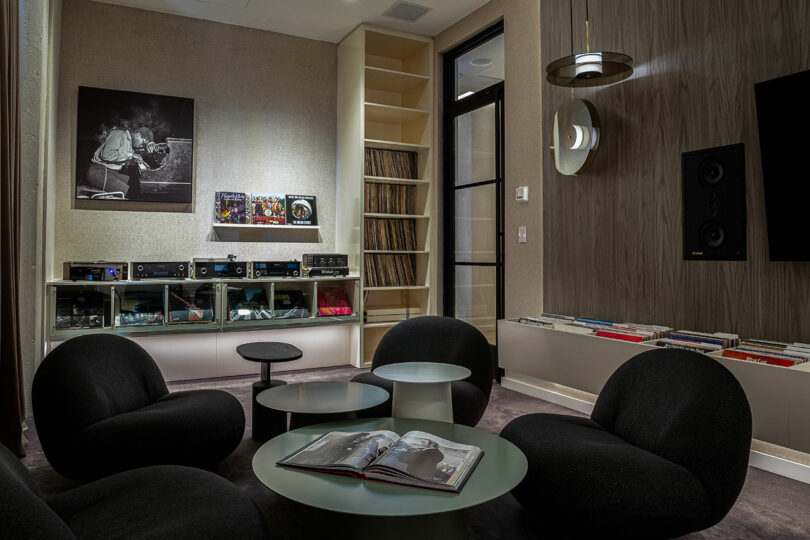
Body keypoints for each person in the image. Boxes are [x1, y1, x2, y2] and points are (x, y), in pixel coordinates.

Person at [85, 126, 157, 200]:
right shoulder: (119, 134)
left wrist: (139, 154)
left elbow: (125, 154)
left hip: (110, 172)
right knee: (131, 193)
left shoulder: (130, 142)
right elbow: (106, 155)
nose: (141, 146)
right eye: (143, 143)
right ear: (138, 135)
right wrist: (131, 155)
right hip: (98, 173)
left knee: (134, 183)